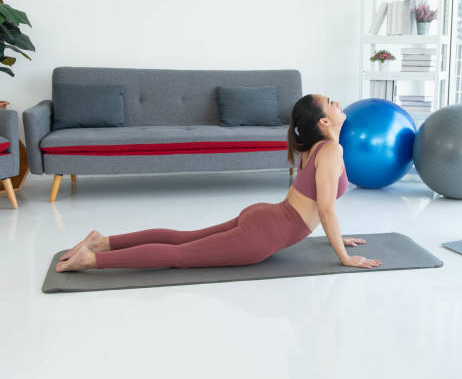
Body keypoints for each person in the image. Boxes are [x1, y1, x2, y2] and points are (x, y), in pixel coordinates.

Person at [55, 94, 383, 272]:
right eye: (332, 103)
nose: (339, 103)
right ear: (324, 121)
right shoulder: (331, 149)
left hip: (266, 217)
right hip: (264, 233)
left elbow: (317, 203)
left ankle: (102, 241)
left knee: (181, 240)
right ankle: (92, 259)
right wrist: (343, 257)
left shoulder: (322, 147)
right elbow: (324, 208)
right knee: (178, 255)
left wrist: (337, 238)